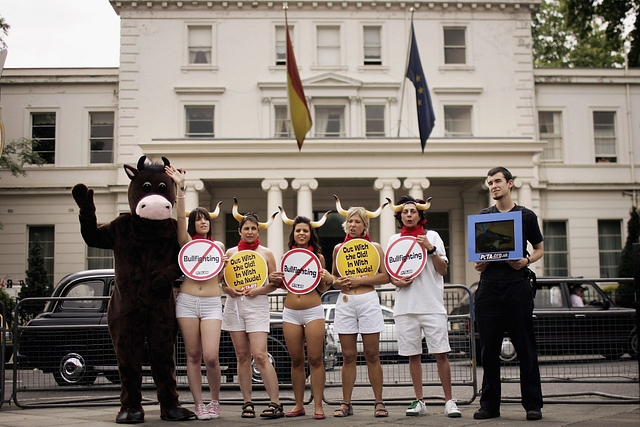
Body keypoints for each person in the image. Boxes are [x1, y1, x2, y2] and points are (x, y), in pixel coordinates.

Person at [473, 166, 544, 421]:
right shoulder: (483, 216)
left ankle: (533, 405)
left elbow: (539, 248)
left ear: (510, 183)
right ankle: (489, 405)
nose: (493, 186)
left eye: (498, 181)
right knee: (488, 350)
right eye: (490, 182)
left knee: (525, 347)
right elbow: (478, 257)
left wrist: (527, 262)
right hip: (489, 287)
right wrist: (478, 264)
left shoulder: (526, 216)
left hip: (517, 286)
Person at [386, 195, 462, 418]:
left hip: (431, 305)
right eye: (405, 212)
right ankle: (419, 400)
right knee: (413, 356)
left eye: (413, 211)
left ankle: (449, 400)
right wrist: (396, 281)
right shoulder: (394, 240)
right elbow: (391, 274)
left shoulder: (433, 236)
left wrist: (431, 249)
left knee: (441, 354)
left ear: (420, 215)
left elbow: (443, 270)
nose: (409, 215)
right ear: (400, 216)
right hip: (405, 307)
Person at [166, 165, 225, 420]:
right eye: (198, 218)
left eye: (205, 218)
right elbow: (179, 219)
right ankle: (199, 404)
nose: (202, 221)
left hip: (212, 302)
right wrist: (180, 187)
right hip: (188, 302)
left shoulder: (219, 246)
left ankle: (214, 401)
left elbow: (223, 278)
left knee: (211, 357)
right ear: (193, 223)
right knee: (192, 355)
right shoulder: (187, 244)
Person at [221, 201, 284, 419]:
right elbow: (222, 282)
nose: (250, 231)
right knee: (241, 355)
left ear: (259, 231)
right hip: (235, 305)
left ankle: (276, 403)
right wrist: (229, 290)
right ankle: (247, 403)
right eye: (246, 228)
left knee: (260, 355)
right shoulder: (229, 253)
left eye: (253, 228)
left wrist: (259, 291)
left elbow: (275, 283)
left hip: (257, 305)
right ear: (239, 231)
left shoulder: (266, 253)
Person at [270, 210, 333, 420]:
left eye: (305, 230)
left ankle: (318, 406)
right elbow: (282, 285)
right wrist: (274, 279)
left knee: (315, 359)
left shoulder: (319, 258)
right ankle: (298, 405)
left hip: (313, 310)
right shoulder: (286, 257)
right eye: (298, 230)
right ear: (293, 234)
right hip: (290, 312)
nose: (302, 233)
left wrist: (326, 278)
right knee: (296, 360)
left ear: (310, 234)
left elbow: (323, 289)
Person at [331, 196, 390, 418]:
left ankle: (379, 402)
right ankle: (346, 403)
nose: (353, 225)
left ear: (365, 225)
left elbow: (385, 277)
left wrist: (360, 281)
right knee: (347, 355)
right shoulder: (339, 249)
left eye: (357, 221)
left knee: (372, 354)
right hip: (345, 303)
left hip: (367, 301)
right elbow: (334, 279)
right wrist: (339, 282)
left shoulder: (374, 248)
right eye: (350, 221)